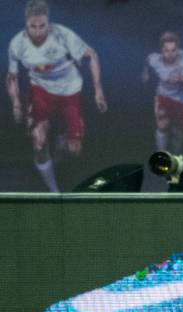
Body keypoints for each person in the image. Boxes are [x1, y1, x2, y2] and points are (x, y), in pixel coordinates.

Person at [6, 0, 107, 192]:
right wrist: (16, 104)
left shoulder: (62, 35)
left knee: (74, 150)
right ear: (26, 23)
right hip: (41, 92)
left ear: (48, 22)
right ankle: (54, 192)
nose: (37, 31)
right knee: (39, 142)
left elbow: (91, 55)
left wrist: (98, 90)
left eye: (42, 26)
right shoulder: (17, 44)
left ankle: (62, 142)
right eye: (32, 26)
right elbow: (12, 76)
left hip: (70, 91)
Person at [142, 31, 183, 153]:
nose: (170, 54)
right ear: (161, 50)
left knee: (178, 130)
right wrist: (145, 74)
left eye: (174, 50)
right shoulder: (154, 59)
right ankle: (161, 156)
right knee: (162, 125)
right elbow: (147, 61)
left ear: (178, 49)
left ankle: (176, 156)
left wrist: (182, 78)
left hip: (181, 99)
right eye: (167, 50)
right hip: (163, 96)